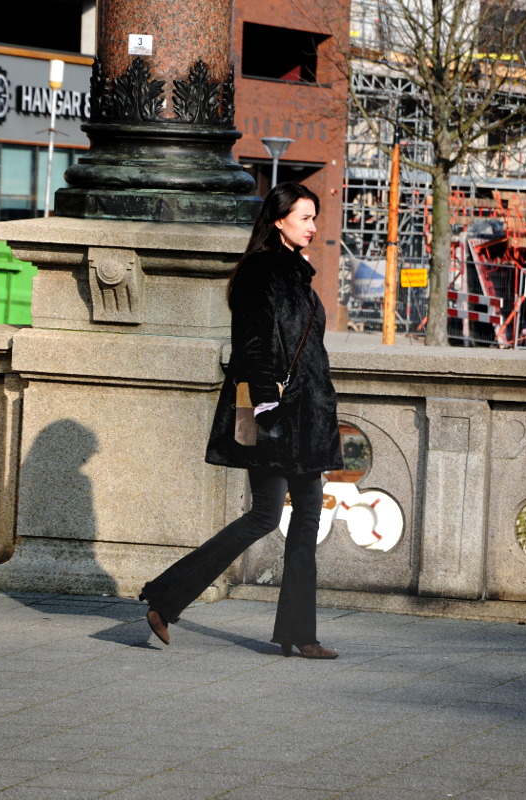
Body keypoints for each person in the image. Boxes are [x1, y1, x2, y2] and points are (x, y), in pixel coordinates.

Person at [139, 182, 343, 659]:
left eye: (314, 218)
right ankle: (166, 598)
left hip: (306, 415)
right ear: (279, 220)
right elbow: (253, 342)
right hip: (277, 413)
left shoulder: (296, 273)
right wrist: (268, 402)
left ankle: (298, 633)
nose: (313, 227)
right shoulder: (261, 271)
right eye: (305, 217)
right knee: (271, 514)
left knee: (298, 516)